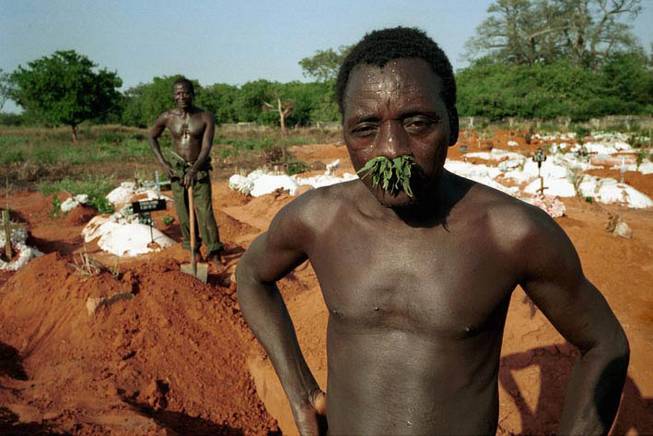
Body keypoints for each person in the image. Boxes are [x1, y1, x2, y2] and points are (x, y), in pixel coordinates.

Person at [236, 27, 629, 435]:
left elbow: (605, 343)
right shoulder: (318, 219)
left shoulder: (511, 233)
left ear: (453, 125)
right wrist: (299, 392)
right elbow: (250, 274)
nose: (391, 150)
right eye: (366, 128)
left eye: (418, 122)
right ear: (345, 135)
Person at [149, 77, 224, 265]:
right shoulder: (167, 117)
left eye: (186, 92)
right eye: (178, 93)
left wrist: (194, 170)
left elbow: (206, 147)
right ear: (173, 95)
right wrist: (164, 164)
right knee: (183, 214)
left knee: (205, 212)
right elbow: (152, 137)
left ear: (192, 94)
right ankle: (193, 249)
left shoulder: (205, 117)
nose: (182, 96)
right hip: (177, 171)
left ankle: (214, 251)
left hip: (199, 170)